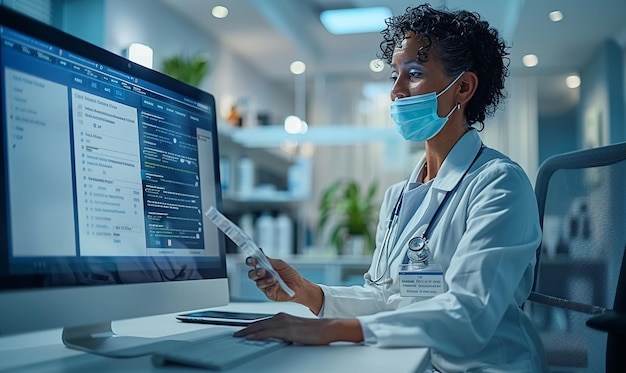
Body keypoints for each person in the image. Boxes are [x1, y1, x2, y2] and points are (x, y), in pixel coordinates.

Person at [235, 4, 549, 372]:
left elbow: (469, 314)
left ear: (463, 87)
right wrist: (306, 292)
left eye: (413, 74)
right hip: (413, 362)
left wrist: (330, 331)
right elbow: (386, 298)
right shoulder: (398, 196)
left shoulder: (498, 183)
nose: (396, 91)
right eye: (394, 75)